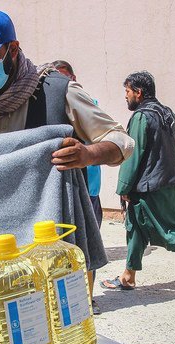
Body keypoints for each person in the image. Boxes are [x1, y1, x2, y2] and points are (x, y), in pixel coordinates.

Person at [0, 8, 134, 315]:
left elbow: (122, 140)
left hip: (55, 242)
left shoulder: (58, 90)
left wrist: (88, 154)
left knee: (61, 326)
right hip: (4, 248)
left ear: (13, 48)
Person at [100, 71, 175, 296]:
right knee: (135, 228)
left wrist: (123, 187)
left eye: (127, 92)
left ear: (138, 92)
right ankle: (128, 276)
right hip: (164, 183)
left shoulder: (143, 116)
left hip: (151, 188)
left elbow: (132, 154)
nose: (125, 96)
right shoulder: (165, 112)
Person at [52, 59, 103, 315]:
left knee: (86, 250)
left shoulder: (85, 103)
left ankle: (88, 299)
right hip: (67, 192)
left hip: (89, 189)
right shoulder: (51, 105)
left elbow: (109, 140)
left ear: (73, 77)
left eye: (64, 78)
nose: (60, 84)